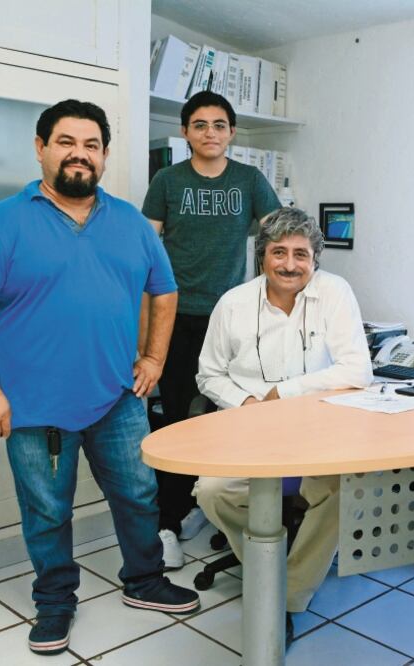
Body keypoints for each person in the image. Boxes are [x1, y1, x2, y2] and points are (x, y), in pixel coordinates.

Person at [0, 99, 200, 656]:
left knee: (138, 495)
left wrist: (154, 360)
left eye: (91, 145)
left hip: (116, 397)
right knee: (46, 511)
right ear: (41, 148)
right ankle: (56, 601)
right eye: (66, 142)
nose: (79, 154)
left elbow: (165, 291)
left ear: (105, 156)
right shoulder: (1, 224)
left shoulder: (131, 224)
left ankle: (144, 580)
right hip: (34, 407)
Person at [194, 207, 373, 645]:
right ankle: (269, 570)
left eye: (301, 254)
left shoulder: (335, 293)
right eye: (279, 252)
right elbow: (208, 375)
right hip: (245, 430)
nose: (290, 264)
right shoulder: (233, 304)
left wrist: (283, 393)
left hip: (318, 431)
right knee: (213, 492)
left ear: (316, 260)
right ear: (262, 257)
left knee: (342, 490)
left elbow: (357, 370)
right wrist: (251, 402)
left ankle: (286, 595)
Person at [142, 90, 281, 568]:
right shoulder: (167, 179)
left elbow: (280, 234)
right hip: (176, 316)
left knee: (236, 415)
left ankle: (228, 508)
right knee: (179, 419)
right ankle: (169, 522)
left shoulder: (249, 179)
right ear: (185, 132)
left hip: (233, 319)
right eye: (199, 125)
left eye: (219, 125)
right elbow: (147, 245)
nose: (210, 133)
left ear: (232, 133)